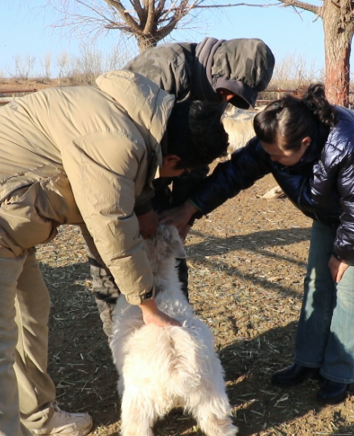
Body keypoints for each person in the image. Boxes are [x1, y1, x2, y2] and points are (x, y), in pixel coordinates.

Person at [0, 70, 229, 436]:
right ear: (174, 157)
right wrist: (149, 307)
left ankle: (39, 417)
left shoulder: (137, 113)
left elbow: (127, 175)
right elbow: (111, 227)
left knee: (32, 312)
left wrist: (144, 202)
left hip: (9, 212)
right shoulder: (114, 141)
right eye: (180, 171)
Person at [162, 84, 354, 405]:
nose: (270, 160)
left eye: (276, 156)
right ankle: (307, 362)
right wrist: (192, 207)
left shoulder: (349, 145)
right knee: (317, 280)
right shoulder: (277, 139)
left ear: (305, 143)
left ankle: (338, 372)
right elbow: (237, 172)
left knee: (348, 284)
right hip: (331, 208)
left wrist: (344, 254)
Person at [85, 37, 276, 338]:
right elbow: (126, 149)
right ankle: (129, 349)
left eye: (237, 99)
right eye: (229, 93)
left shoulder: (216, 91)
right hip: (118, 180)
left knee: (168, 255)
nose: (228, 102)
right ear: (218, 69)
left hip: (161, 173)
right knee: (116, 259)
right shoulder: (161, 71)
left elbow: (197, 156)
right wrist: (143, 205)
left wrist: (187, 212)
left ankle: (177, 338)